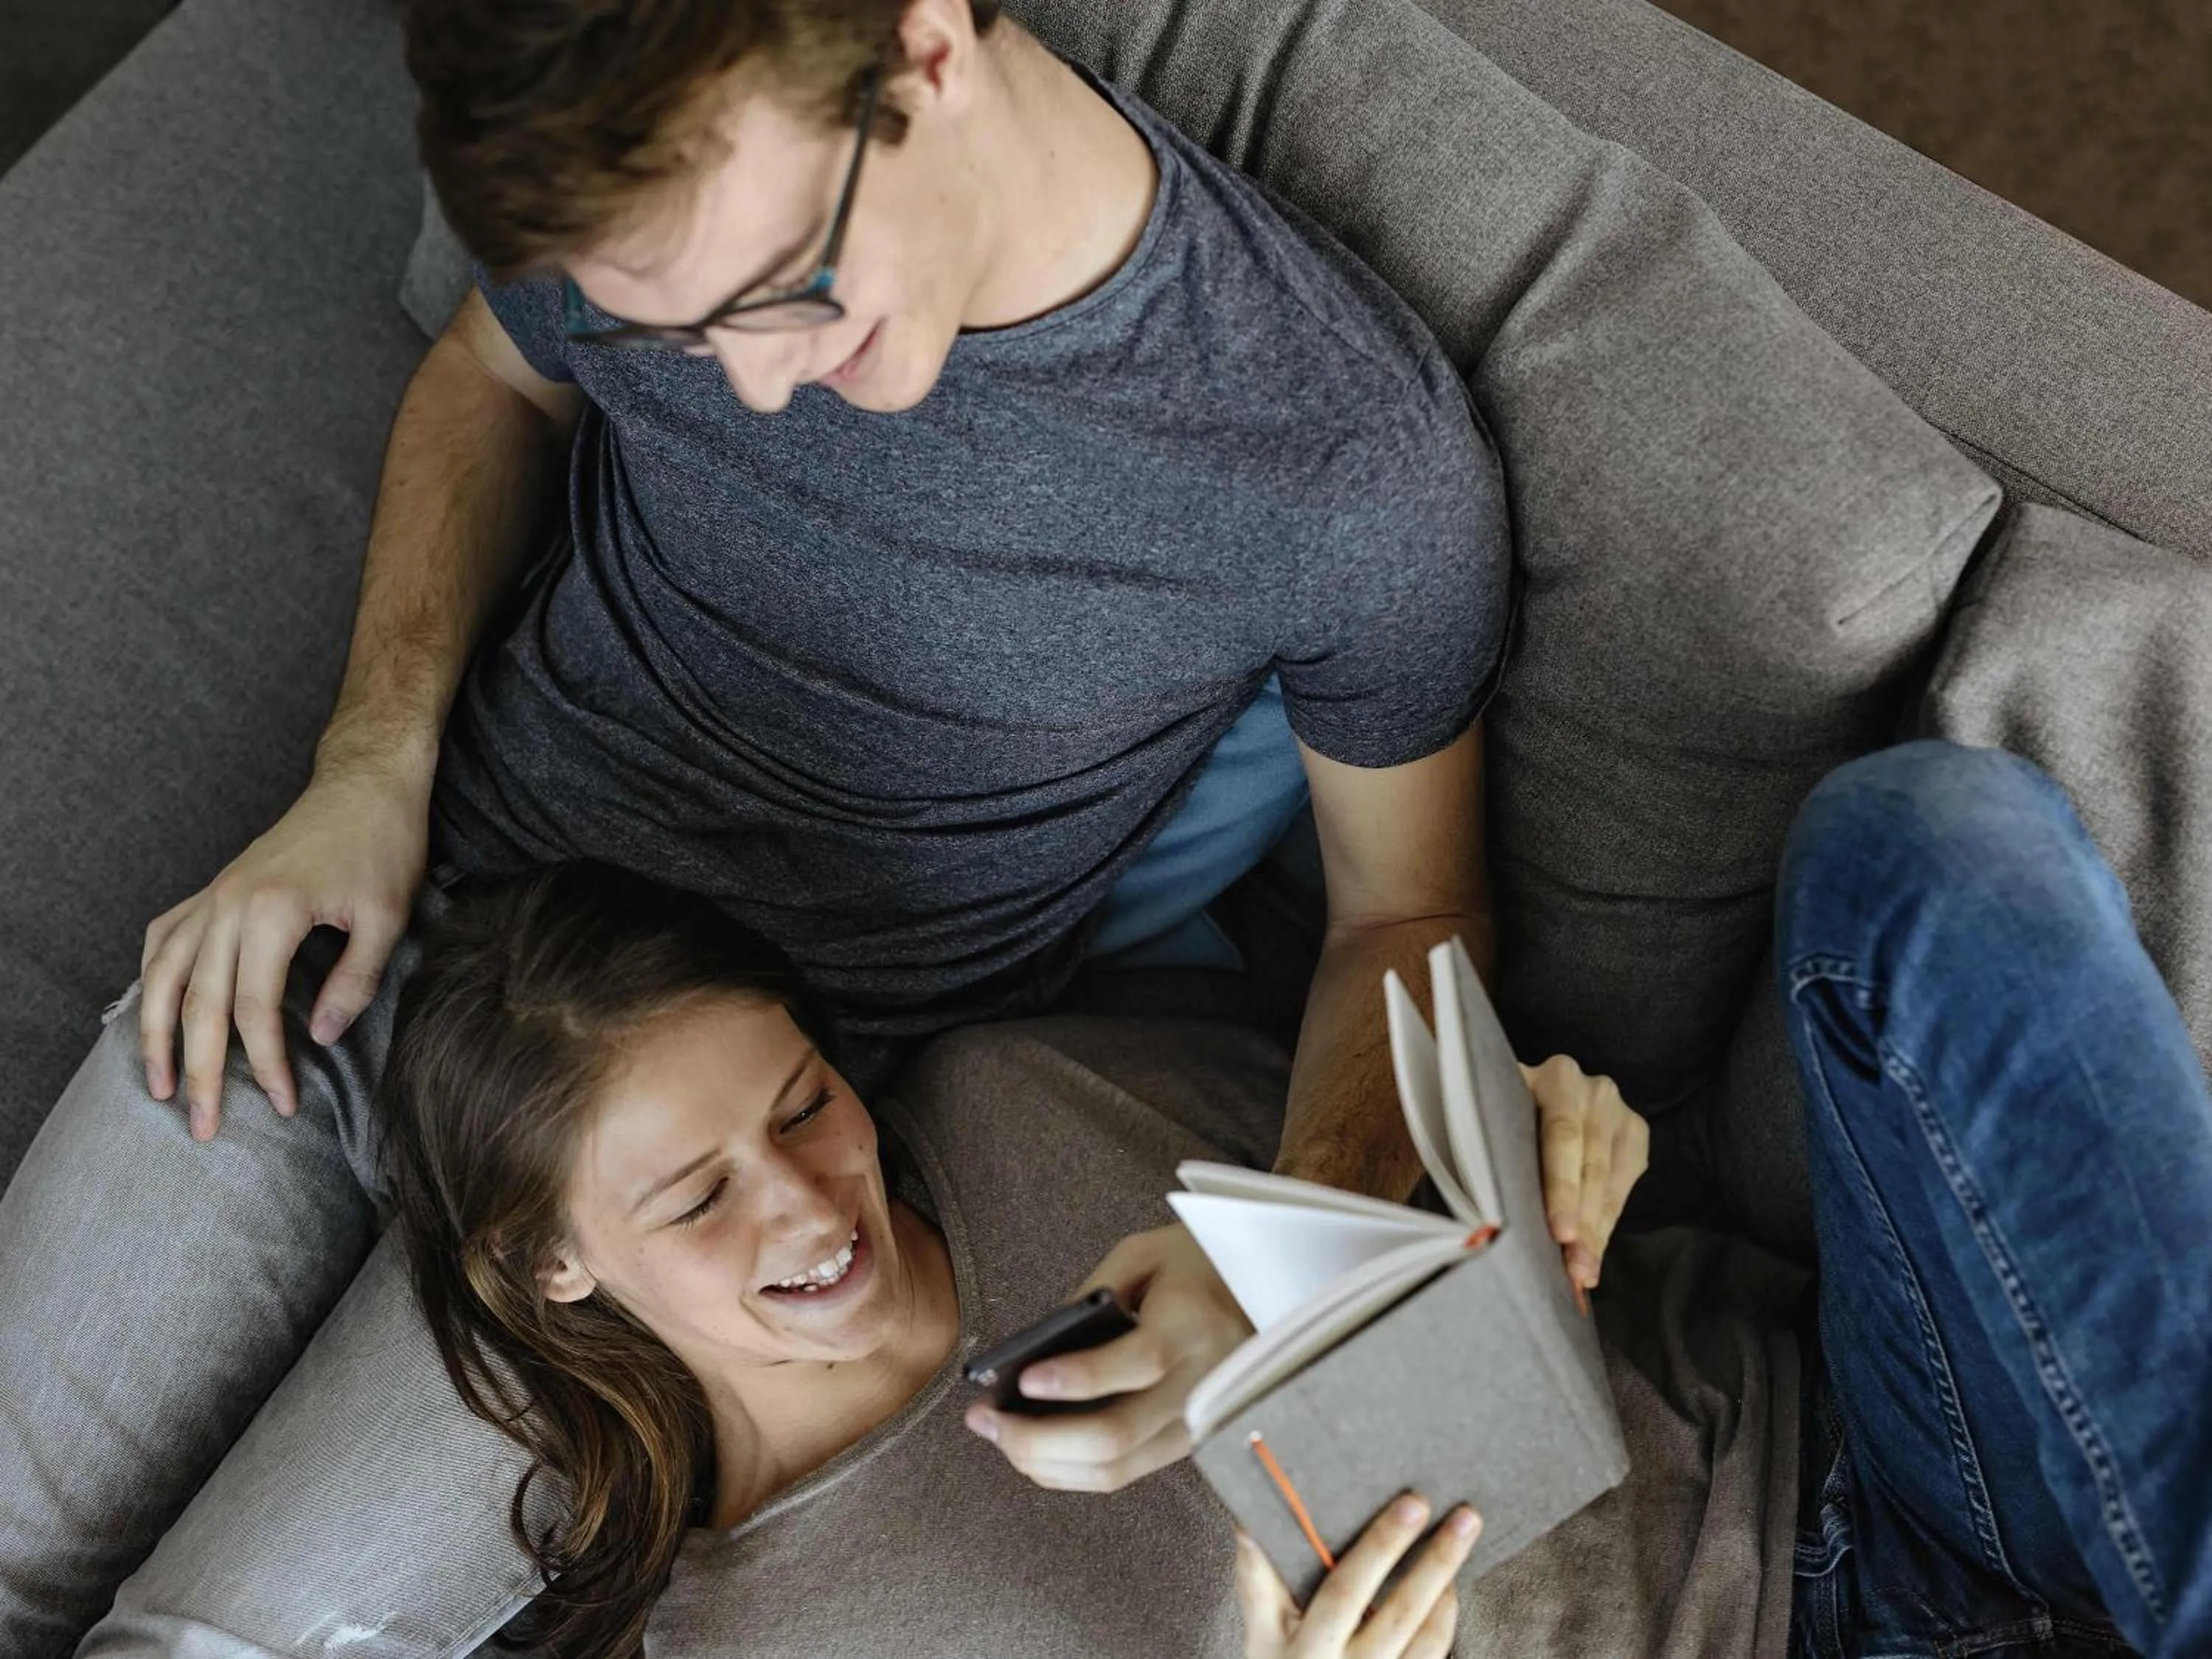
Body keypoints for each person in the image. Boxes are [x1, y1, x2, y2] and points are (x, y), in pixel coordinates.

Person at [0, 0, 1537, 1644]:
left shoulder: (1343, 470)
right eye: (675, 337)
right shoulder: (639, 170)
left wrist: (1279, 1272)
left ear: (927, 49)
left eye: (782, 297)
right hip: (385, 954)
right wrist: (364, 767)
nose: (752, 377)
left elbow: (1404, 920)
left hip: (712, 1184)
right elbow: (496, 382)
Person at [380, 740, 2211, 1659]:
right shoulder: (738, 1636)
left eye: (801, 1105)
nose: (808, 1199)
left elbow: (1412, 1153)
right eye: (697, 1197)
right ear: (545, 1265)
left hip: (1901, 1434)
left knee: (1918, 843)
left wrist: (1552, 1126)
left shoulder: (1012, 1091)